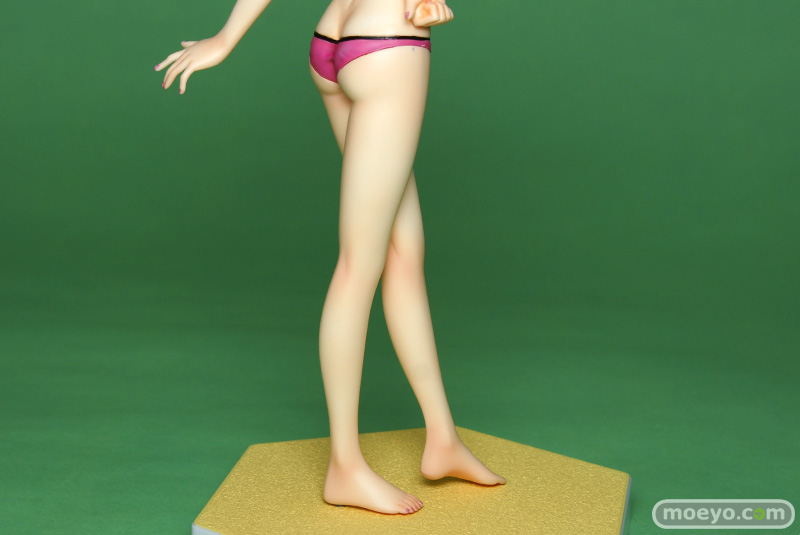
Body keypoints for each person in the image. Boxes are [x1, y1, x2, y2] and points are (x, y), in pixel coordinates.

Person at [156, 0, 505, 516]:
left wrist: (228, 35)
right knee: (359, 265)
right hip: (388, 48)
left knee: (403, 249)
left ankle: (442, 438)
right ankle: (344, 466)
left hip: (332, 41)